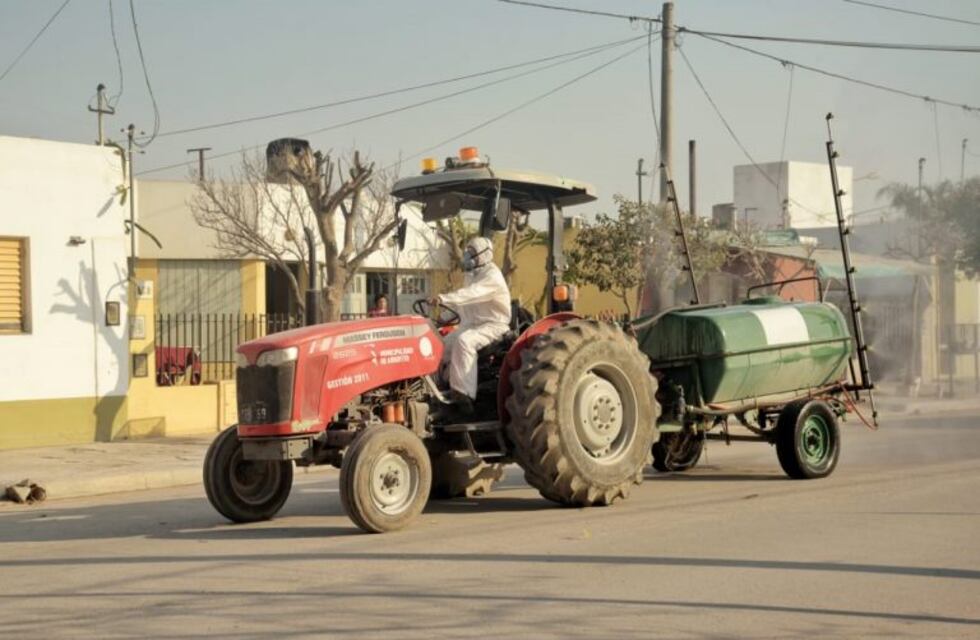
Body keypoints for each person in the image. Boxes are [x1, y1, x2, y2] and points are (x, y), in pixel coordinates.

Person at [434, 236, 511, 411]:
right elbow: (462, 304)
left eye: (472, 253)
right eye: (468, 251)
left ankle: (463, 395)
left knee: (464, 342)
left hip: (494, 325)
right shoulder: (471, 276)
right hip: (473, 325)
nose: (467, 256)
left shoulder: (492, 276)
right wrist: (442, 318)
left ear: (484, 255)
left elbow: (470, 294)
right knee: (439, 346)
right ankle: (434, 389)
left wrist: (442, 298)